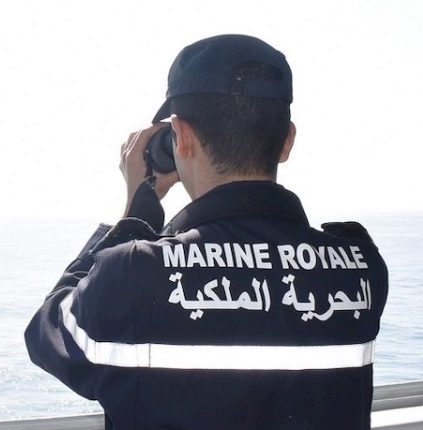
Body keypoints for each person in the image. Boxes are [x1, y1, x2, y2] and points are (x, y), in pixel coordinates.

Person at [24, 34, 388, 430]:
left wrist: (135, 213)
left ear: (179, 138)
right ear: (287, 140)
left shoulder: (133, 272)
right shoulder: (362, 269)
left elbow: (47, 333)